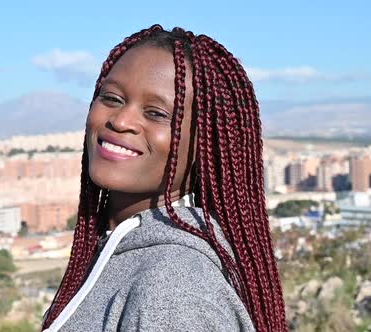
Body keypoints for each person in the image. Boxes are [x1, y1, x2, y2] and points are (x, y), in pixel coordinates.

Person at [40, 24, 286, 332]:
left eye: (156, 113)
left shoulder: (173, 288)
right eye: (112, 98)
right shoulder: (118, 252)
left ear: (205, 146)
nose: (120, 120)